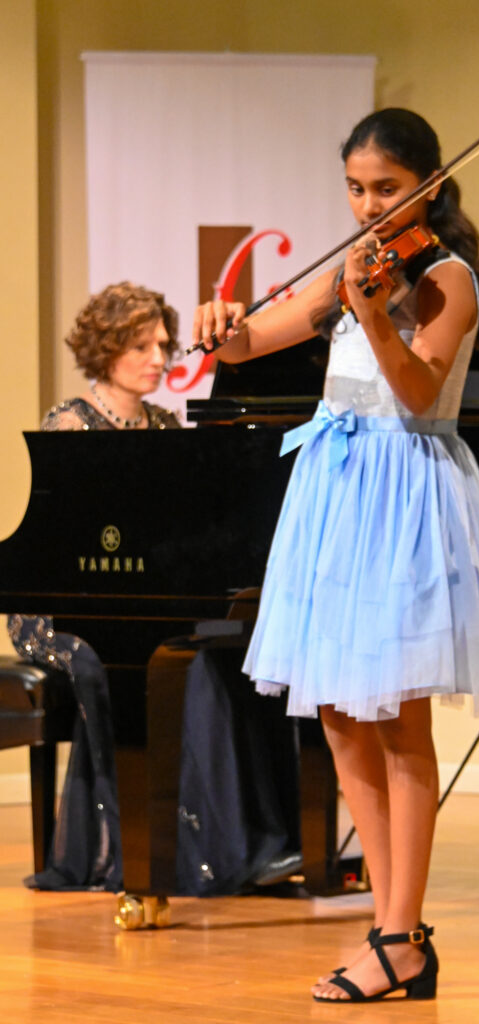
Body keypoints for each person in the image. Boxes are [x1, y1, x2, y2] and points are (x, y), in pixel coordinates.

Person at [192, 108, 479, 1003]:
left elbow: (417, 395)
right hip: (335, 496)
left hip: (404, 495)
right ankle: (390, 930)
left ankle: (399, 934)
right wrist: (223, 324)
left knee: (400, 725)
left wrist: (374, 317)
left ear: (428, 185)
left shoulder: (445, 279)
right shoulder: (354, 265)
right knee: (341, 718)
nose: (368, 205)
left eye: (386, 188)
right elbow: (253, 339)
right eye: (354, 188)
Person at [9, 282, 301, 894]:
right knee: (149, 662)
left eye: (163, 345)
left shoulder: (166, 425)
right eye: (140, 346)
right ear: (106, 348)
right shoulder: (71, 423)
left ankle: (245, 844)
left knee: (228, 655)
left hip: (143, 601)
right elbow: (59, 549)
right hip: (66, 612)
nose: (158, 357)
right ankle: (180, 854)